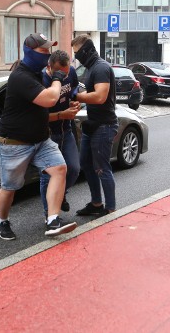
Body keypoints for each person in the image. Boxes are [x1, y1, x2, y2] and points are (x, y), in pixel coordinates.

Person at [0, 33, 77, 240]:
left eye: (49, 50)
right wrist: (57, 79)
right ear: (29, 52)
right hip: (14, 143)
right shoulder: (21, 76)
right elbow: (49, 99)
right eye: (43, 50)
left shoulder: (36, 72)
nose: (47, 54)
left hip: (40, 140)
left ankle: (52, 220)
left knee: (59, 169)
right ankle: (2, 220)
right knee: (10, 187)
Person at [70, 35, 119, 216]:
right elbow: (90, 96)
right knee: (86, 164)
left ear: (87, 50)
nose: (76, 58)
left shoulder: (101, 68)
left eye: (78, 53)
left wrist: (76, 96)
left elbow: (99, 96)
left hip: (104, 126)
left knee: (101, 168)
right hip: (93, 124)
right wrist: (79, 103)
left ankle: (110, 207)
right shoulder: (90, 68)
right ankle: (96, 203)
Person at [39, 50, 81, 218]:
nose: (64, 77)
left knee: (74, 169)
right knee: (47, 176)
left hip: (66, 129)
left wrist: (74, 101)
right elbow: (38, 117)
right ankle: (49, 214)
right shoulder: (41, 80)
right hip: (47, 134)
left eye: (66, 72)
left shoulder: (70, 72)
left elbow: (74, 89)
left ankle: (60, 194)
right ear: (49, 67)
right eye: (60, 74)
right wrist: (61, 115)